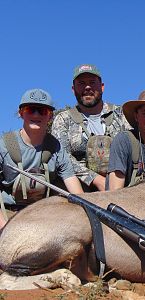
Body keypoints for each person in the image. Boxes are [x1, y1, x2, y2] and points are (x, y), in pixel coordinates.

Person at [0, 88, 83, 228]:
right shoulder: (4, 144)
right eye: (30, 109)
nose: (36, 114)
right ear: (21, 113)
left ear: (50, 116)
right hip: (7, 214)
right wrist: (4, 228)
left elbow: (75, 188)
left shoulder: (55, 147)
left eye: (43, 111)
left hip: (42, 215)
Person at [51, 64, 130, 192]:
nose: (87, 87)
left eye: (92, 82)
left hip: (121, 188)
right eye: (81, 83)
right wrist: (95, 179)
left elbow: (136, 148)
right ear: (73, 89)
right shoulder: (63, 119)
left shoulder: (122, 114)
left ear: (102, 87)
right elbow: (61, 157)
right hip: (79, 191)